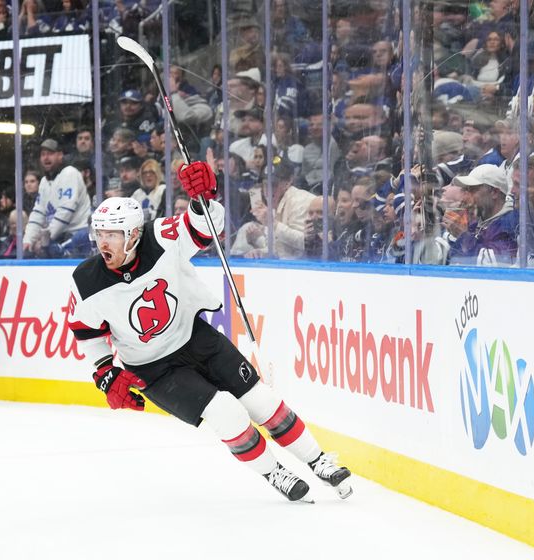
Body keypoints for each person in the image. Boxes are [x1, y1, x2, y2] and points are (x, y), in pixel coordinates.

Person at [66, 160, 353, 503]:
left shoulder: (160, 238)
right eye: (99, 233)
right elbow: (87, 332)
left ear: (133, 233)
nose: (103, 242)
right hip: (153, 369)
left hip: (195, 338)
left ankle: (318, 460)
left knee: (261, 400)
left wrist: (204, 197)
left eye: (111, 233)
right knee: (226, 414)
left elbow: (203, 229)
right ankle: (273, 471)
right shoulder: (87, 280)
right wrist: (105, 373)